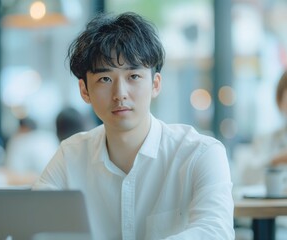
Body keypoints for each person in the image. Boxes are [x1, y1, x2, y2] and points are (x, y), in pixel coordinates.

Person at [33, 12, 234, 239]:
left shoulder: (200, 153)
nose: (120, 94)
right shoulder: (70, 155)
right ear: (84, 91)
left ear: (155, 84)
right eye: (105, 79)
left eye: (134, 77)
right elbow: (34, 228)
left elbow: (215, 230)